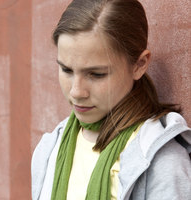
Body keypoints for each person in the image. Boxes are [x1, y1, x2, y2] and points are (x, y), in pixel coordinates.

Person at [31, 0, 191, 200]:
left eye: (96, 74)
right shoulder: (50, 148)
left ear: (139, 65)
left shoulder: (162, 161)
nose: (76, 91)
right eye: (66, 70)